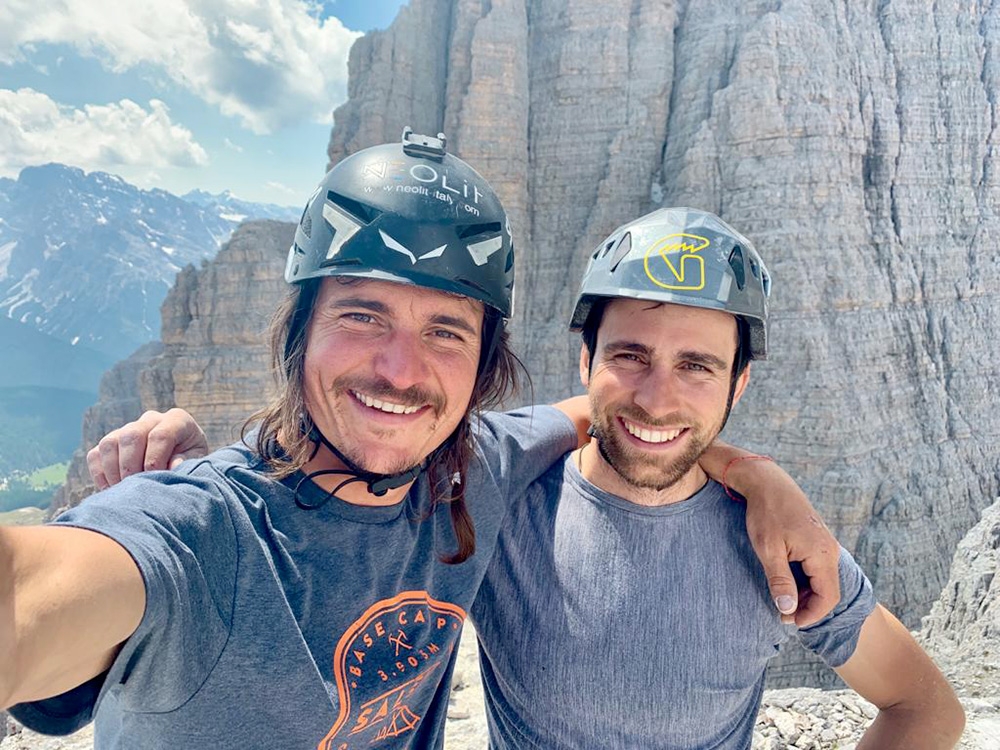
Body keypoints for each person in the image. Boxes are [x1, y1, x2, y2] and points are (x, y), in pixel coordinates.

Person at [1, 131, 839, 750]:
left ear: (482, 369)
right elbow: (32, 592)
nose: (402, 371)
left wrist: (754, 475)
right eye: (362, 315)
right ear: (298, 331)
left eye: (445, 331)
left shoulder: (479, 467)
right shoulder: (198, 530)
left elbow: (620, 416)